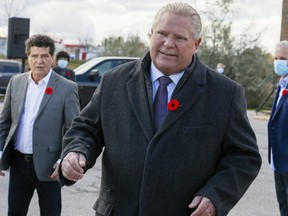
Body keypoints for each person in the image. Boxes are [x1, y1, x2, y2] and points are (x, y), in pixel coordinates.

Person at [59, 3, 262, 216]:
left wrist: (216, 195)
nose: (168, 43)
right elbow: (86, 129)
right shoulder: (114, 81)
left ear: (197, 43)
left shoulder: (225, 94)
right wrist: (75, 151)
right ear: (151, 34)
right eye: (162, 33)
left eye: (180, 37)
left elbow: (244, 157)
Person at [0, 34, 80, 216]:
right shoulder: (16, 82)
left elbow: (73, 130)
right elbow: (4, 123)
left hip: (50, 167)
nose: (39, 61)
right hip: (19, 164)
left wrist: (62, 161)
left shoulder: (67, 88)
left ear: (52, 58)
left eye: (44, 56)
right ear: (28, 57)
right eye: (34, 56)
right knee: (15, 212)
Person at [268, 40, 288, 216]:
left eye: (283, 58)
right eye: (276, 58)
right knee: (283, 206)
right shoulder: (282, 84)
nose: (278, 62)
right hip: (279, 160)